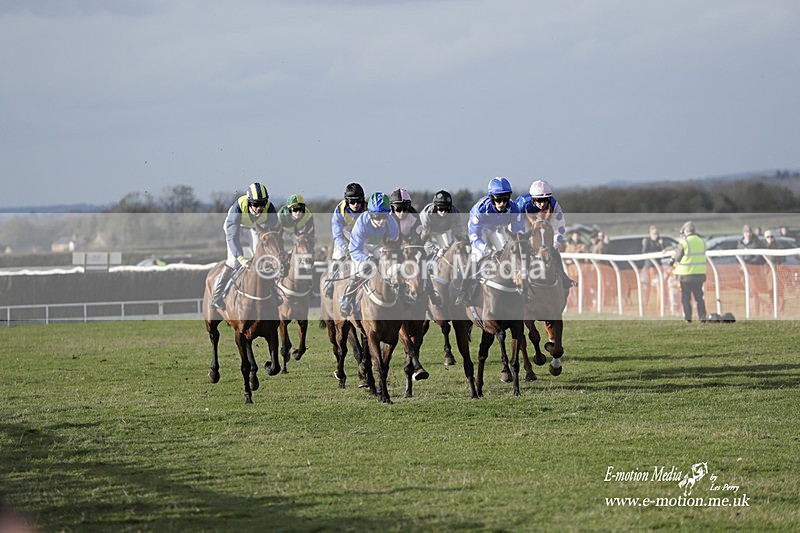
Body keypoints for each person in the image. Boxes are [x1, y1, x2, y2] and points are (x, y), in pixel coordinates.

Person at [454, 177, 526, 306]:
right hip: (481, 231)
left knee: (510, 254)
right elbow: (474, 237)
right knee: (478, 256)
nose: (502, 203)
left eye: (505, 199)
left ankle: (521, 290)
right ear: (492, 198)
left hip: (498, 230)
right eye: (498, 199)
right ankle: (463, 291)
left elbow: (518, 234)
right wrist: (487, 249)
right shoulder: (480, 209)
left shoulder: (514, 208)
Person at [210, 182, 281, 309]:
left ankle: (273, 290)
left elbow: (272, 233)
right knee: (233, 262)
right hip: (235, 227)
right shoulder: (238, 207)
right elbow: (233, 237)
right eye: (255, 204)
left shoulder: (270, 208)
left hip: (253, 228)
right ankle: (217, 295)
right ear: (249, 202)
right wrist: (242, 259)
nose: (259, 208)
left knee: (262, 259)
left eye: (262, 203)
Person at [339, 192, 400, 316]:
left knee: (392, 269)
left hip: (381, 247)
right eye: (377, 217)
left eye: (384, 217)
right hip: (362, 248)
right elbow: (354, 250)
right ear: (371, 214)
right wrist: (367, 258)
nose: (381, 221)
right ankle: (347, 300)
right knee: (361, 270)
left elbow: (393, 246)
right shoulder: (361, 224)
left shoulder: (392, 223)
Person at [516, 179, 574, 294]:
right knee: (520, 251)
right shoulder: (522, 203)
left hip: (545, 225)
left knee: (554, 251)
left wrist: (553, 246)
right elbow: (514, 227)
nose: (542, 204)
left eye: (545, 200)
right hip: (523, 225)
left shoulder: (554, 204)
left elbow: (560, 227)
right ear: (533, 198)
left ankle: (564, 279)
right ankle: (517, 276)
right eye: (538, 200)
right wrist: (524, 242)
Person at [323, 182, 367, 298]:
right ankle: (330, 284)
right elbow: (337, 235)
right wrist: (345, 248)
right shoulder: (339, 210)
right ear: (347, 201)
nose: (356, 204)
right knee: (337, 259)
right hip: (345, 238)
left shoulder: (368, 209)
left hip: (362, 240)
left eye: (359, 201)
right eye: (352, 202)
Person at [672, 220, 707, 323]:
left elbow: (677, 258)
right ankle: (702, 317)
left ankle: (688, 318)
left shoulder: (684, 243)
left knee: (686, 299)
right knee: (699, 298)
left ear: (686, 231)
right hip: (699, 275)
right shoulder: (702, 241)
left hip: (686, 275)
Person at [419, 190, 466, 258]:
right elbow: (423, 238)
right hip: (428, 232)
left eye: (446, 209)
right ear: (435, 207)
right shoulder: (426, 215)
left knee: (448, 251)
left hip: (444, 231)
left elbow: (457, 234)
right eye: (440, 209)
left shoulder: (454, 213)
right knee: (423, 252)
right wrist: (435, 250)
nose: (443, 212)